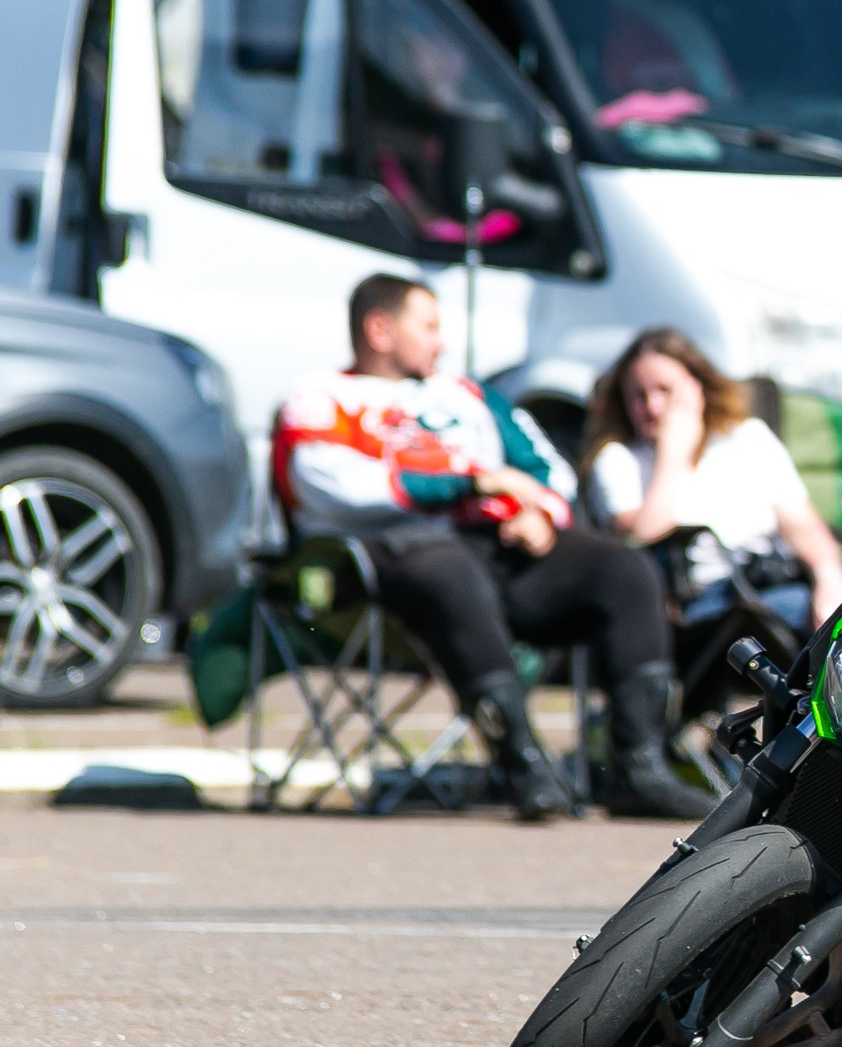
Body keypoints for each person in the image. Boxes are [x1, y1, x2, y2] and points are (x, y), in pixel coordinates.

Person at [273, 275, 711, 822]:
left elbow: (542, 466)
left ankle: (639, 765)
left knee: (624, 569)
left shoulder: (466, 394)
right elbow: (332, 485)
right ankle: (522, 762)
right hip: (393, 552)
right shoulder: (320, 396)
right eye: (428, 326)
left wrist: (540, 512)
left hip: (500, 549)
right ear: (380, 330)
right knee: (450, 569)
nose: (441, 343)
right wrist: (470, 481)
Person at [581, 328, 842, 631]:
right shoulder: (617, 458)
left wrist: (829, 577)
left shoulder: (746, 435)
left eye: (664, 390)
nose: (653, 406)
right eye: (639, 396)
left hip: (774, 576)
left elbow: (801, 524)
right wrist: (673, 453)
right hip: (706, 600)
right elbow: (641, 535)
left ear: (696, 388)